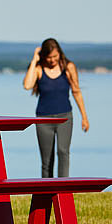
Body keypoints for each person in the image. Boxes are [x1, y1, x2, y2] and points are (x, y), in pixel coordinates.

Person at [23, 38, 89, 177]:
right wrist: (34, 60)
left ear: (60, 53)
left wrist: (84, 117)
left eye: (55, 56)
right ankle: (46, 192)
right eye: (49, 57)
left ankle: (63, 189)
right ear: (43, 55)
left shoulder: (68, 67)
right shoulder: (39, 68)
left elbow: (76, 92)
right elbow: (27, 85)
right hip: (43, 119)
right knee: (47, 160)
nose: (52, 60)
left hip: (65, 117)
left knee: (63, 152)